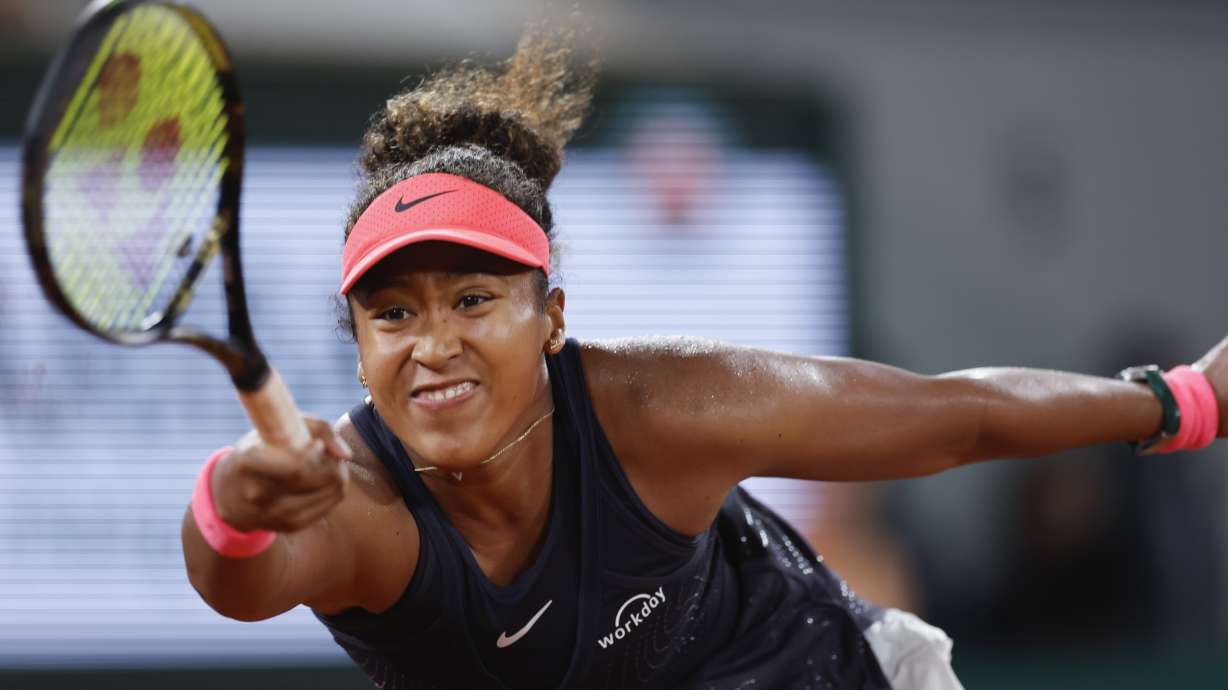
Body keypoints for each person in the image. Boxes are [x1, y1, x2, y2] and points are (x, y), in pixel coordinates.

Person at [180, 30, 1227, 690]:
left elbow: (948, 416)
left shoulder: (658, 409)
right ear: (359, 350)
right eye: (393, 313)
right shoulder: (358, 509)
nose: (435, 341)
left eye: (473, 298)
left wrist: (1178, 400)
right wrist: (232, 501)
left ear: (550, 318)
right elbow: (243, 582)